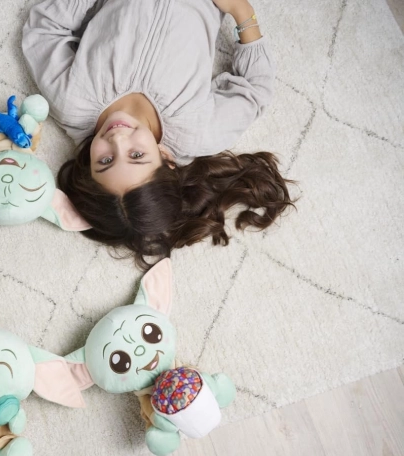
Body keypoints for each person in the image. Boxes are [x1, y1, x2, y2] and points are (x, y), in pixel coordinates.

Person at [22, 0, 295, 268]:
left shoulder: (72, 101)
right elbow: (256, 90)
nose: (117, 140)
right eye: (136, 155)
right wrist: (242, 11)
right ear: (166, 158)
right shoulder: (197, 132)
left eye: (105, 161)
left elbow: (43, 31)